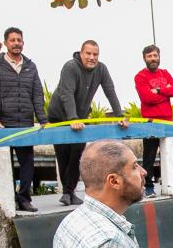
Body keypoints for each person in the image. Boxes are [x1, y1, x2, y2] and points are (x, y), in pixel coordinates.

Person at [47, 40, 128, 206]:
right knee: (63, 154)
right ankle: (66, 192)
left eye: (95, 54)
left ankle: (70, 191)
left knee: (77, 153)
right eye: (88, 54)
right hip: (60, 116)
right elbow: (67, 93)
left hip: (80, 117)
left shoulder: (101, 69)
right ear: (81, 53)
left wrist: (119, 115)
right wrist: (72, 118)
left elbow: (110, 91)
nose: (92, 57)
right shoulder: (70, 67)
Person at [0, 27, 48, 212]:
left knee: (27, 163)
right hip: (3, 124)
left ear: (23, 43)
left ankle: (24, 198)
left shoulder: (30, 66)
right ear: (6, 43)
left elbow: (37, 94)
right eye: (12, 40)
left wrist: (42, 119)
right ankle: (9, 199)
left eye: (19, 40)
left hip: (25, 123)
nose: (16, 43)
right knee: (6, 165)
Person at [134, 45, 173, 198]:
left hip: (168, 121)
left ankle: (170, 184)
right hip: (151, 122)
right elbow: (147, 98)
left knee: (169, 155)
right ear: (144, 58)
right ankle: (148, 186)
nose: (153, 59)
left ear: (159, 57)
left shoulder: (165, 73)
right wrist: (166, 94)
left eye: (155, 55)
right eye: (149, 56)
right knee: (149, 156)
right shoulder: (140, 76)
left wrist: (159, 91)